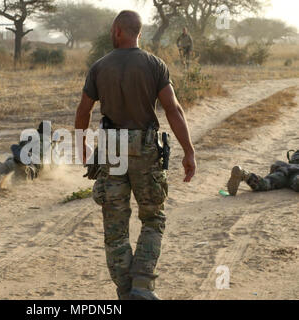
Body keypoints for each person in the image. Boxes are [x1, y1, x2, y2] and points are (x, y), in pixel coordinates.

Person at [74, 10, 196, 300]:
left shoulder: (100, 67)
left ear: (117, 30)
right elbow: (173, 109)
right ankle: (141, 284)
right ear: (139, 32)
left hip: (111, 150)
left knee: (115, 230)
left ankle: (126, 293)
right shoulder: (155, 65)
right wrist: (189, 151)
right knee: (153, 219)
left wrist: (82, 146)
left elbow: (83, 110)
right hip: (144, 149)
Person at [0, 121, 53, 187]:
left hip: (15, 158)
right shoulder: (50, 143)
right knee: (23, 173)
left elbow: (22, 145)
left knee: (6, 165)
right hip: (33, 163)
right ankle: (22, 162)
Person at [227, 150, 299, 196]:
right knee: (296, 181)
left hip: (284, 170)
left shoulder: (294, 157)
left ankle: (245, 174)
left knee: (266, 183)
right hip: (296, 173)